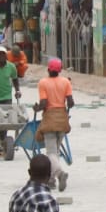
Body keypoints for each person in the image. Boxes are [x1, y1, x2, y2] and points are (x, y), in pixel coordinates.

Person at [35, 57, 74, 192]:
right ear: (60, 70)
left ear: (48, 69)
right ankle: (51, 180)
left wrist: (37, 108)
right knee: (56, 151)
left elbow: (44, 103)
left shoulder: (43, 83)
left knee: (51, 152)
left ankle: (60, 174)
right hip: (62, 118)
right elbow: (70, 102)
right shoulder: (66, 82)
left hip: (50, 118)